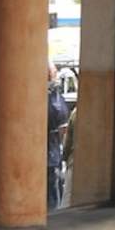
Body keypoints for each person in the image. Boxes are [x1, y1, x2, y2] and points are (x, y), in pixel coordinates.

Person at [47, 62, 70, 210]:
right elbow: (60, 118)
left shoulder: (52, 97)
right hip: (49, 158)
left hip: (50, 157)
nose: (56, 77)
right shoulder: (52, 98)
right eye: (54, 73)